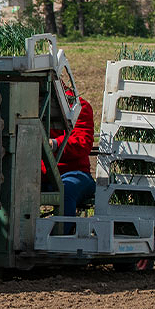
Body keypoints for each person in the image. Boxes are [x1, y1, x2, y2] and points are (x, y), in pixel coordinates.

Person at [50, 86, 97, 217]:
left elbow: (82, 142)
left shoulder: (78, 106)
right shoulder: (27, 104)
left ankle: (61, 235)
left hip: (72, 172)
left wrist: (54, 144)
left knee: (65, 191)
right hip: (37, 174)